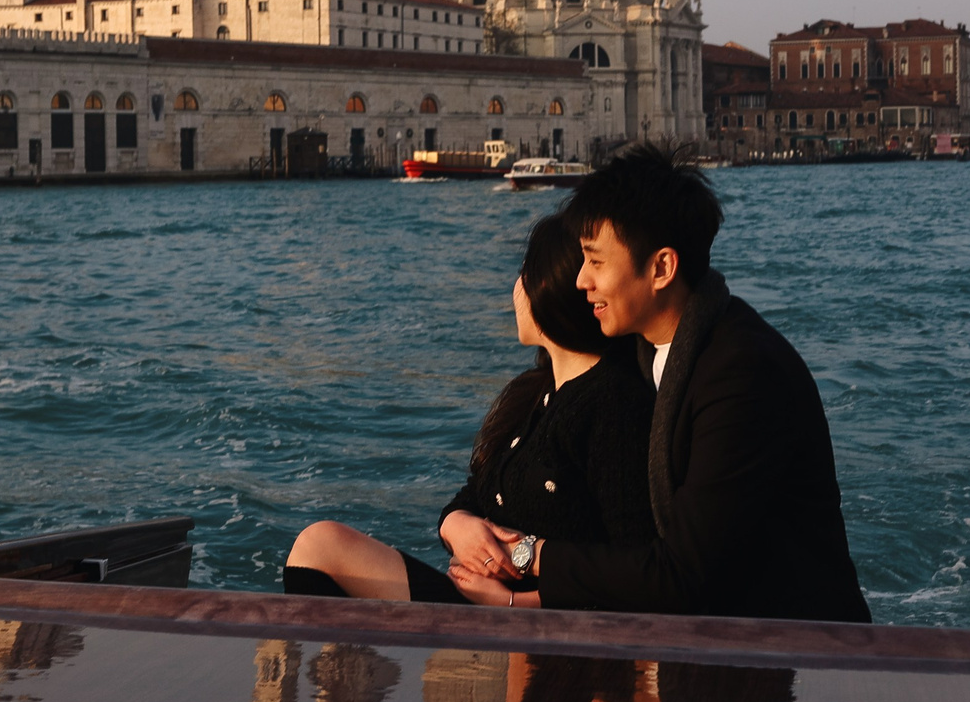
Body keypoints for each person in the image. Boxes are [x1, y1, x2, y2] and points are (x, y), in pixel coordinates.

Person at [503, 141, 871, 622]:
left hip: (796, 656)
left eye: (595, 261)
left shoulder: (742, 374)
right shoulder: (643, 354)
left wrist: (530, 556)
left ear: (661, 268)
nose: (581, 282)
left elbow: (682, 574)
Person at [283, 213, 652, 604]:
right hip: (480, 606)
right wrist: (456, 526)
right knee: (318, 549)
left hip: (534, 625)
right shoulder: (536, 392)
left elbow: (633, 567)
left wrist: (516, 604)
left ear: (548, 289)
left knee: (319, 546)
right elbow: (477, 494)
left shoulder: (613, 402)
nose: (515, 289)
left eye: (524, 275)